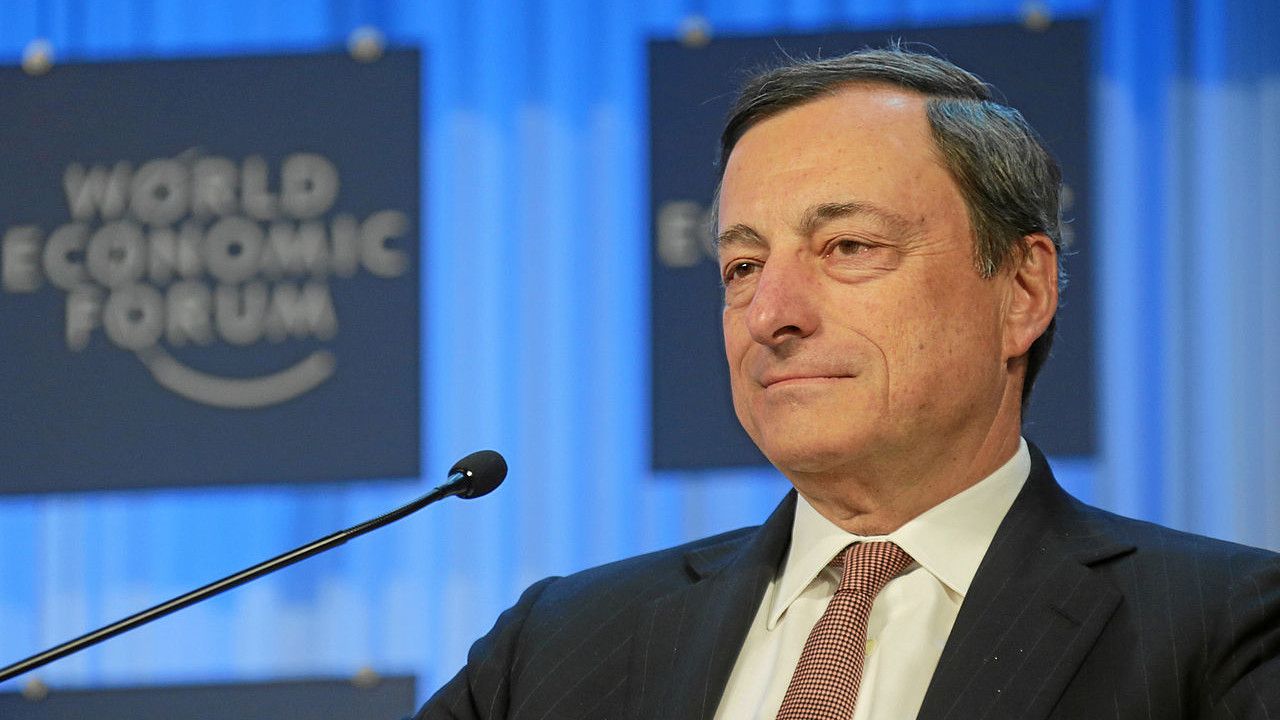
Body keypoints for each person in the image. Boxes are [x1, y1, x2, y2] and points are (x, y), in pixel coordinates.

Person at [416, 47, 1280, 719]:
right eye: (743, 265)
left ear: (1022, 291)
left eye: (848, 247)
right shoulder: (557, 647)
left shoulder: (1223, 629)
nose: (771, 314)